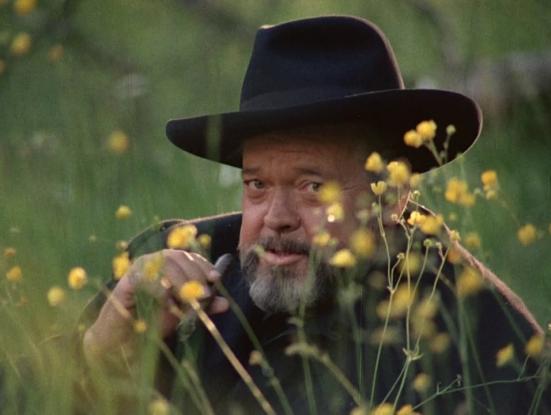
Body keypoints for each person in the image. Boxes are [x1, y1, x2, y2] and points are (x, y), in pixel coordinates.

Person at [82, 16, 549, 414]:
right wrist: (101, 351)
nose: (277, 218)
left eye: (312, 188)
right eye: (257, 185)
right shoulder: (174, 272)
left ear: (391, 196)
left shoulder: (476, 341)